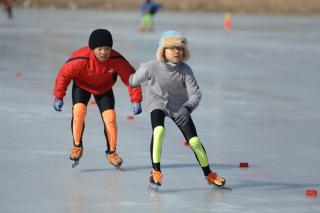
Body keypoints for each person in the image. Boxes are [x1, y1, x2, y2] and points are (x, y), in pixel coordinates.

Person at [129, 31, 227, 190]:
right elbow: (132, 80)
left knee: (194, 141)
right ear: (162, 51)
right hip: (157, 103)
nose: (176, 51)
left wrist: (187, 107)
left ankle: (209, 174)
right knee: (159, 131)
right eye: (171, 48)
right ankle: (156, 171)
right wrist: (133, 78)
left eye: (180, 48)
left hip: (179, 107)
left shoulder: (185, 70)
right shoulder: (151, 67)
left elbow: (196, 93)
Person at [53, 29, 143, 168]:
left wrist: (136, 99)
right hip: (82, 86)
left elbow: (131, 78)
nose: (103, 52)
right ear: (92, 48)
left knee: (110, 118)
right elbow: (64, 75)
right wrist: (58, 96)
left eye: (107, 49)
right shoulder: (80, 59)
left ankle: (111, 152)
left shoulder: (116, 59)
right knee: (79, 111)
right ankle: (77, 146)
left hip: (104, 89)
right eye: (99, 49)